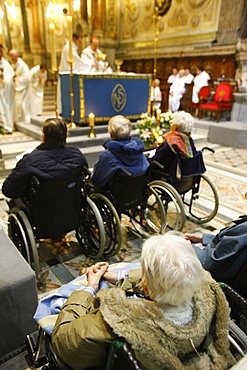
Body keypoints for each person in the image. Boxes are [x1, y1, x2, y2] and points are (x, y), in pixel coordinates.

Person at [51, 231, 234, 370]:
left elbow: (62, 343)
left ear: (147, 287)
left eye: (144, 272)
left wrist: (89, 288)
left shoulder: (115, 322)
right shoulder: (207, 288)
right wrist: (119, 277)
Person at [2, 118, 88, 200]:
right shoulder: (77, 155)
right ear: (66, 136)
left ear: (44, 137)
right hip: (72, 208)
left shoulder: (30, 160)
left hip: (40, 210)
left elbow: (8, 190)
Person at [91, 115, 149, 190]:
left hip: (116, 195)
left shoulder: (108, 155)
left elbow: (96, 180)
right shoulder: (138, 150)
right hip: (137, 191)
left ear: (111, 134)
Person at [149, 111, 206, 178]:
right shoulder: (189, 141)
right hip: (186, 178)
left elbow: (155, 161)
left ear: (174, 127)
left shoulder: (171, 144)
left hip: (169, 176)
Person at [9, 49, 30, 123]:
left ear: (16, 56)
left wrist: (15, 79)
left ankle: (25, 118)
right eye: (10, 55)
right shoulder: (14, 64)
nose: (10, 58)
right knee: (20, 102)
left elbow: (23, 76)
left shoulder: (21, 64)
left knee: (22, 102)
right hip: (19, 84)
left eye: (12, 56)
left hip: (22, 85)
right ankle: (21, 118)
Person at [0, 44, 15, 133]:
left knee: (6, 107)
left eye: (2, 51)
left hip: (5, 90)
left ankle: (8, 125)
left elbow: (11, 73)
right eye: (0, 51)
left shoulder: (5, 62)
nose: (2, 53)